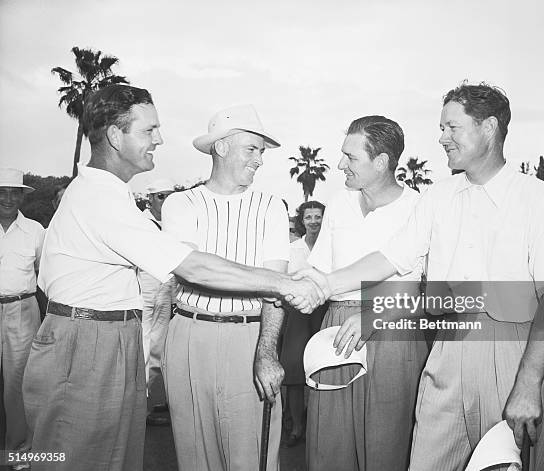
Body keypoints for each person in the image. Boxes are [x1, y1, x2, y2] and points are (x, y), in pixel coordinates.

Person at [21, 86, 323, 471]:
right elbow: (189, 267)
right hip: (85, 342)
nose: (159, 139)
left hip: (105, 337)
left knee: (110, 458)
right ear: (116, 135)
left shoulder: (112, 196)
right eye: (149, 130)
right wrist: (285, 284)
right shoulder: (99, 197)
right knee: (68, 457)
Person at [294, 83, 544, 470]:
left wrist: (529, 383)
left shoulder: (537, 197)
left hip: (515, 351)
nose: (441, 137)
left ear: (489, 127)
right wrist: (326, 283)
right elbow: (390, 258)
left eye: (451, 127)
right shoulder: (437, 196)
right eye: (441, 127)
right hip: (447, 349)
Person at [162, 104, 290, 471]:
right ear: (221, 147)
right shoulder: (179, 203)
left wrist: (267, 350)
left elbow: (275, 292)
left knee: (252, 455)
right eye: (252, 149)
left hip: (248, 335)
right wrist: (272, 282)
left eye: (262, 152)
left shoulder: (271, 207)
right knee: (194, 449)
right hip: (189, 333)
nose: (260, 160)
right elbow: (191, 272)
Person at [304, 116, 428, 471]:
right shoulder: (339, 203)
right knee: (331, 442)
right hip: (337, 327)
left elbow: (421, 285)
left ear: (382, 162)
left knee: (387, 442)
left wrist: (374, 316)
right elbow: (320, 271)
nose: (341, 164)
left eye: (350, 157)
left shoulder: (418, 206)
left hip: (394, 328)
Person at [0, 168, 45, 470]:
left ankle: (18, 450)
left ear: (22, 196)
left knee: (18, 384)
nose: (7, 198)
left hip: (22, 308)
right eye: (2, 191)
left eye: (14, 192)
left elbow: (45, 276)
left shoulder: (36, 230)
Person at [279, 200, 327, 447]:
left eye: (318, 216)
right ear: (302, 221)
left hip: (325, 311)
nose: (314, 222)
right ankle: (297, 425)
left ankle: (321, 423)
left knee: (324, 367)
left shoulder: (330, 244)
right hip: (297, 312)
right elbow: (286, 279)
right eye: (308, 217)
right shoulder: (294, 248)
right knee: (295, 369)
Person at [139, 178, 175, 426]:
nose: (166, 201)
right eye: (161, 196)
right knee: (141, 349)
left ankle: (152, 404)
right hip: (144, 289)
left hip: (166, 290)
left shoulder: (173, 223)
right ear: (149, 199)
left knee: (158, 351)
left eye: (169, 196)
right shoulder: (139, 222)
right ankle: (138, 410)